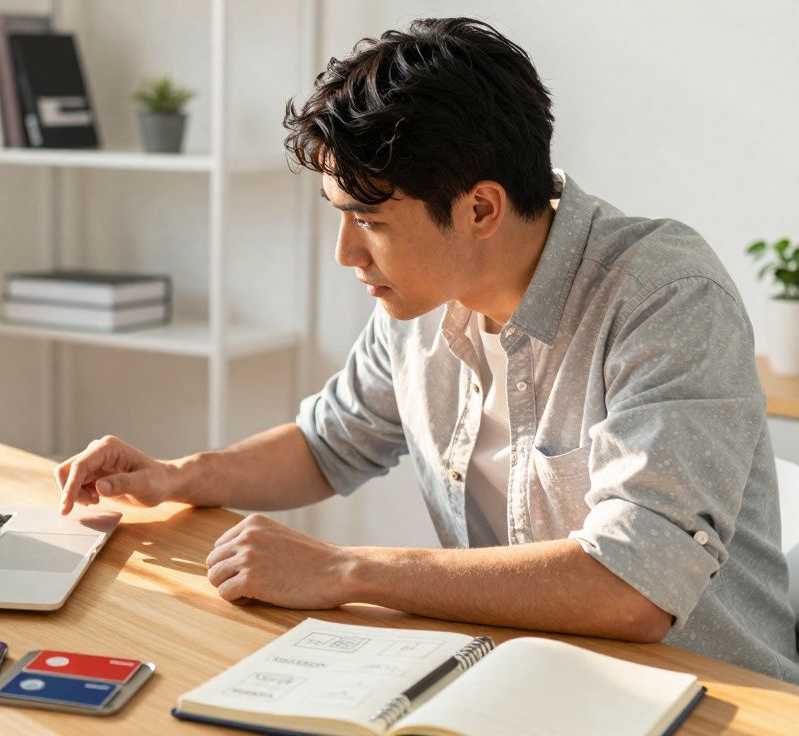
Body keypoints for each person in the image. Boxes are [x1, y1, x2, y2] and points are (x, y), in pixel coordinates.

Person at [52, 17, 799, 683]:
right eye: (338, 217)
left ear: (480, 208)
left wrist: (344, 569)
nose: (347, 254)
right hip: (518, 676)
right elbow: (327, 444)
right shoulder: (422, 301)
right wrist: (179, 475)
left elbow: (634, 588)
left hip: (706, 698)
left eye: (369, 221)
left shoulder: (665, 297)